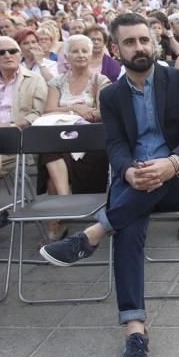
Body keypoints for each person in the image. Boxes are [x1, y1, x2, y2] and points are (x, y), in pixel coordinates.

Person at [39, 13, 179, 357]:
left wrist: (170, 163)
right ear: (116, 50)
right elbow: (116, 146)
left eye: (144, 40)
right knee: (131, 223)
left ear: (154, 43)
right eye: (130, 42)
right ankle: (135, 329)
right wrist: (128, 171)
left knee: (143, 193)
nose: (140, 48)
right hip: (134, 181)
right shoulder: (112, 95)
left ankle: (93, 233)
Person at [39, 34, 111, 239]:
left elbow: (102, 113)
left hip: (91, 143)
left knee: (52, 160)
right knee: (52, 151)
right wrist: (75, 108)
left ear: (91, 54)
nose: (80, 55)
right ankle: (65, 201)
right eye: (75, 51)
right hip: (61, 139)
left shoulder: (100, 80)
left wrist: (71, 112)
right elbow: (48, 112)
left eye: (84, 51)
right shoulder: (57, 82)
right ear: (66, 56)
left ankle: (59, 218)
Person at [0, 36, 47, 176]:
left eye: (12, 51)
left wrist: (11, 125)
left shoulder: (35, 80)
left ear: (20, 55)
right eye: (1, 52)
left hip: (18, 137)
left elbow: (38, 114)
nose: (7, 55)